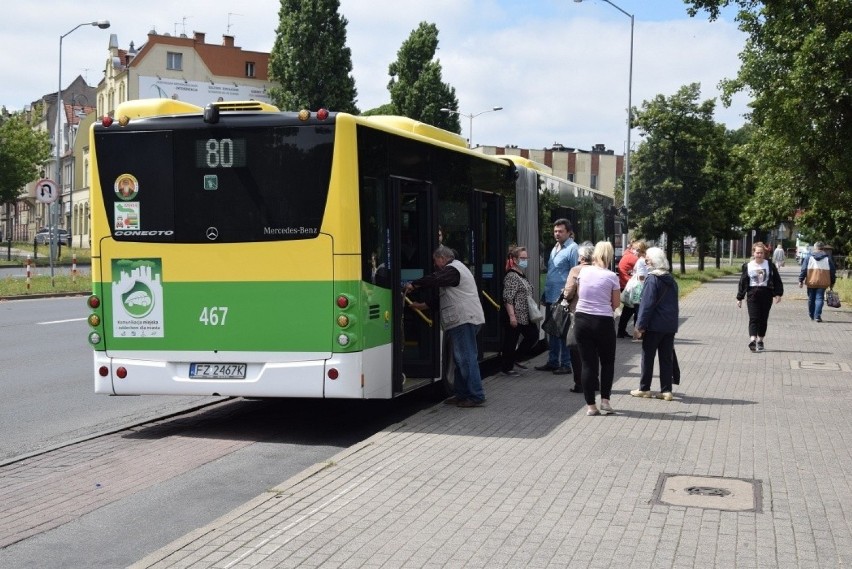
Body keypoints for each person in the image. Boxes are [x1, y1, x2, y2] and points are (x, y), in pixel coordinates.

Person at [404, 245, 486, 407]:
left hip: (464, 319)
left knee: (466, 358)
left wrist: (414, 284)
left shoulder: (453, 269)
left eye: (435, 261)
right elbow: (443, 298)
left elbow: (435, 279)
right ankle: (461, 394)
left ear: (442, 258)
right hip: (462, 320)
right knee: (459, 359)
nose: (435, 265)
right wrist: (422, 305)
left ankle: (476, 395)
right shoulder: (454, 271)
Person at [573, 241, 621, 416]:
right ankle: (605, 401)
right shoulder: (612, 277)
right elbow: (615, 304)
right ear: (610, 256)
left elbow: (579, 295)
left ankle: (590, 406)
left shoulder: (583, 272)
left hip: (582, 320)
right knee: (607, 362)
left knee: (587, 363)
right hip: (603, 322)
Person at [630, 247, 680, 401]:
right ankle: (666, 390)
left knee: (648, 356)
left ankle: (645, 388)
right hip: (669, 325)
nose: (646, 261)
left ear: (655, 261)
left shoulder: (652, 279)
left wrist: (639, 326)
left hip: (654, 325)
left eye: (648, 259)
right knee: (666, 358)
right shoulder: (671, 279)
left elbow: (646, 305)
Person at [535, 219, 578, 375]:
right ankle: (553, 362)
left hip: (563, 297)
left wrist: (571, 296)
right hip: (551, 296)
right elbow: (553, 273)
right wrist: (545, 295)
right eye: (555, 231)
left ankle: (566, 364)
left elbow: (576, 272)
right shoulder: (555, 247)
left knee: (563, 331)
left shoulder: (573, 248)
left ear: (568, 232)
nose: (557, 234)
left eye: (560, 231)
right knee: (552, 330)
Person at [736, 241, 784, 352]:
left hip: (766, 294)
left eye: (761, 253)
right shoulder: (748, 266)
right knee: (754, 318)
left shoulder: (769, 265)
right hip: (753, 294)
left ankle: (760, 340)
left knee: (763, 319)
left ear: (764, 254)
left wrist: (778, 294)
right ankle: (753, 340)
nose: (759, 255)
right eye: (757, 252)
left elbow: (777, 280)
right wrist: (740, 297)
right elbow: (743, 282)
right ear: (753, 253)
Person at [500, 246, 539, 376]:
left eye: (526, 258)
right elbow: (508, 298)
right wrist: (512, 316)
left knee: (532, 335)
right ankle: (507, 367)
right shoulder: (512, 275)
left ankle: (514, 360)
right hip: (516, 315)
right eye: (522, 258)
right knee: (511, 341)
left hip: (524, 315)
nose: (525, 260)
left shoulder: (520, 273)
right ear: (515, 259)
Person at [561, 241, 594, 393]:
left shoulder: (576, 270)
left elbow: (568, 292)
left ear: (581, 257)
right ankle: (595, 381)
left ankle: (580, 383)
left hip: (578, 313)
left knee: (575, 348)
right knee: (593, 350)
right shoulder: (599, 270)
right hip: (596, 314)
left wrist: (566, 296)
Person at [798, 241, 836, 322]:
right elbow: (832, 271)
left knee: (811, 298)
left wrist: (800, 280)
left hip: (811, 281)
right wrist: (832, 282)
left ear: (815, 248)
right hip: (823, 282)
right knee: (820, 299)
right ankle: (817, 316)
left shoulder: (809, 257)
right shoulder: (827, 258)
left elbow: (804, 269)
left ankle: (811, 315)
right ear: (823, 248)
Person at [618, 240, 647, 339]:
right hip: (638, 289)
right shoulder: (640, 260)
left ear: (639, 250)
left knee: (628, 310)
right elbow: (642, 277)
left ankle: (621, 332)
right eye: (633, 248)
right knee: (638, 311)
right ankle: (638, 334)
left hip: (631, 288)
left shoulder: (635, 258)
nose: (633, 251)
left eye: (634, 249)